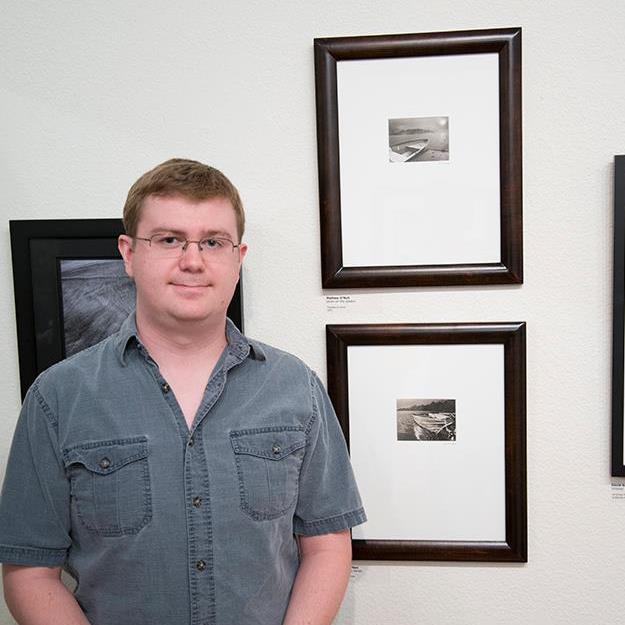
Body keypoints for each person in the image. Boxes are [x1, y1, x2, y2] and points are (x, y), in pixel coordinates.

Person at [0, 159, 366, 625]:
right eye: (169, 239)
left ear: (238, 257)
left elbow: (327, 543)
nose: (193, 261)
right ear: (129, 253)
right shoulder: (58, 397)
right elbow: (29, 571)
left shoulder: (296, 387)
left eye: (213, 242)